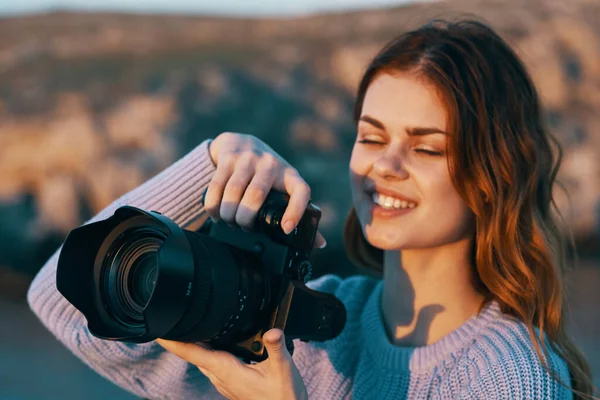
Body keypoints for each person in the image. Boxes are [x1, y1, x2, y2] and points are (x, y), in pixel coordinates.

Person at [27, 19, 598, 399]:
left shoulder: (507, 376)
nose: (385, 165)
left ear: (493, 176)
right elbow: (60, 299)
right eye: (371, 138)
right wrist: (211, 163)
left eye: (426, 148)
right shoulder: (304, 327)